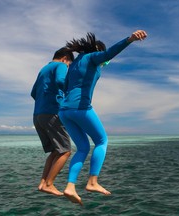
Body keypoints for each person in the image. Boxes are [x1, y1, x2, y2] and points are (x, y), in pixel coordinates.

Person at [59, 30, 148, 205]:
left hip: (64, 111)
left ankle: (70, 186)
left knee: (83, 147)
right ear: (97, 51)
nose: (104, 63)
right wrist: (129, 40)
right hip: (80, 107)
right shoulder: (92, 58)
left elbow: (65, 87)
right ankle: (92, 182)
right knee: (102, 141)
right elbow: (108, 54)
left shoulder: (75, 63)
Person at [31, 47, 74, 196]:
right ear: (64, 59)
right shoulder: (61, 65)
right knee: (66, 151)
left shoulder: (43, 69)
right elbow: (61, 81)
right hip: (52, 113)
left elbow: (33, 92)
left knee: (56, 150)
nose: (67, 67)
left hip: (38, 115)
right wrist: (69, 93)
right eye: (69, 65)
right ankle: (49, 183)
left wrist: (45, 100)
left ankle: (43, 183)